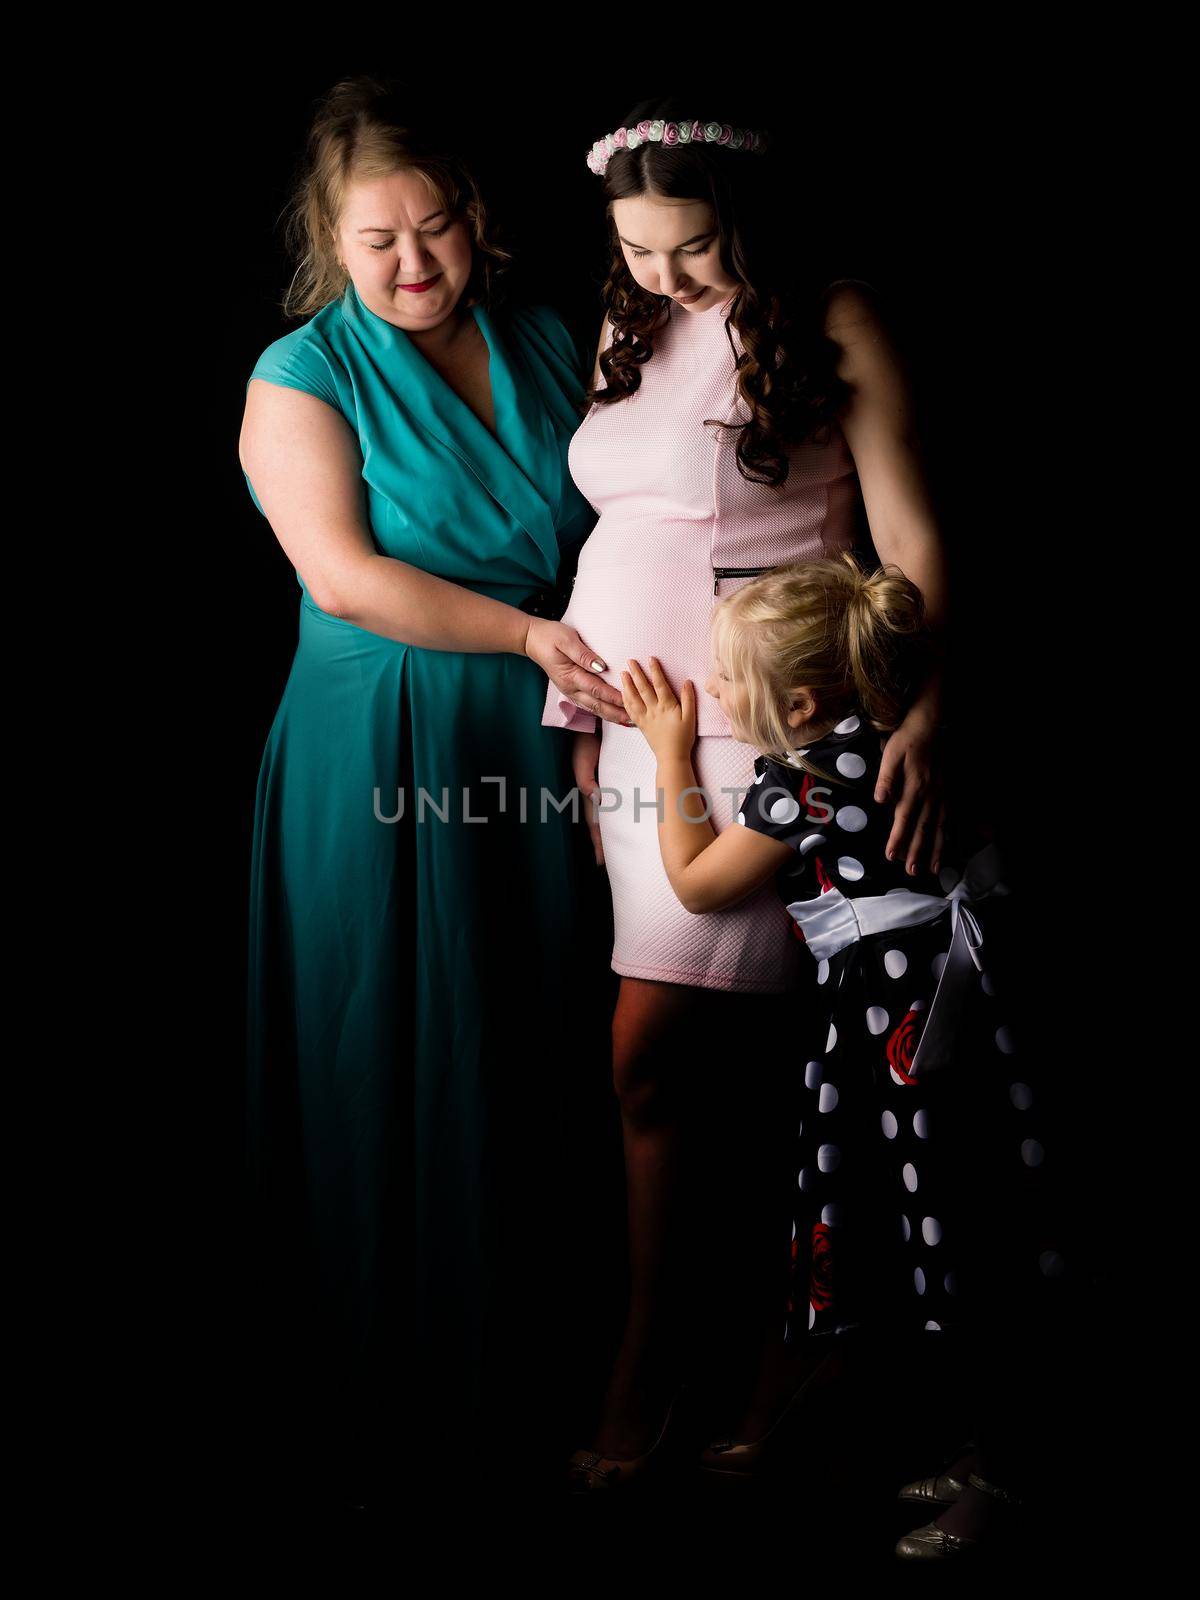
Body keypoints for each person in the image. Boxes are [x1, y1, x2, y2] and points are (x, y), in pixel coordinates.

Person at [543, 100, 950, 1483]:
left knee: (706, 1059)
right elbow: (620, 529)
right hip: (628, 737)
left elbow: (910, 539)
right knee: (679, 1070)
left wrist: (928, 712)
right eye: (642, 253)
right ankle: (715, 1355)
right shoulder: (630, 322)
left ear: (749, 223)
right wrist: (583, 727)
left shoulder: (831, 313)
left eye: (696, 249)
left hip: (764, 733)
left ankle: (714, 1356)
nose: (667, 278)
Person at [237, 76, 628, 1500]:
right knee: (387, 1034)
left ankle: (535, 1362)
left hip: (548, 730)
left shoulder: (545, 334)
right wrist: (533, 636)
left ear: (478, 216)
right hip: (384, 738)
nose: (413, 264)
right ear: (328, 242)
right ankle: (389, 1392)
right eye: (377, 239)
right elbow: (344, 574)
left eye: (438, 227)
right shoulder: (300, 373)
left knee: (534, 1027)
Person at [619, 553, 1071, 1556]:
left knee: (959, 1232)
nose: (719, 692)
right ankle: (988, 1445)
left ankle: (1011, 1475)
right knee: (973, 1214)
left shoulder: (811, 782)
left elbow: (698, 885)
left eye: (733, 680)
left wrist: (665, 752)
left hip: (919, 1024)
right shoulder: (893, 741)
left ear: (805, 698)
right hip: (973, 1005)